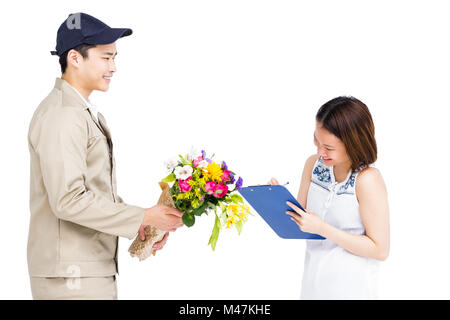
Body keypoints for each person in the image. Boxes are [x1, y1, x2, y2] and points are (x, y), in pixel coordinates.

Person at [27, 12, 184, 300]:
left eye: (114, 58)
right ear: (75, 58)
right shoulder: (64, 115)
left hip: (84, 270)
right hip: (71, 277)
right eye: (106, 57)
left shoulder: (78, 112)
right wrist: (144, 215)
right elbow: (68, 200)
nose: (113, 67)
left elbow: (93, 192)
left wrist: (145, 224)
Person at [270, 96, 390, 299]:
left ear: (353, 143)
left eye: (329, 147)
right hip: (313, 286)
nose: (320, 152)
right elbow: (301, 225)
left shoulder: (367, 180)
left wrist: (323, 229)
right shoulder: (313, 165)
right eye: (317, 141)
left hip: (352, 290)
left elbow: (380, 249)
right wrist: (277, 201)